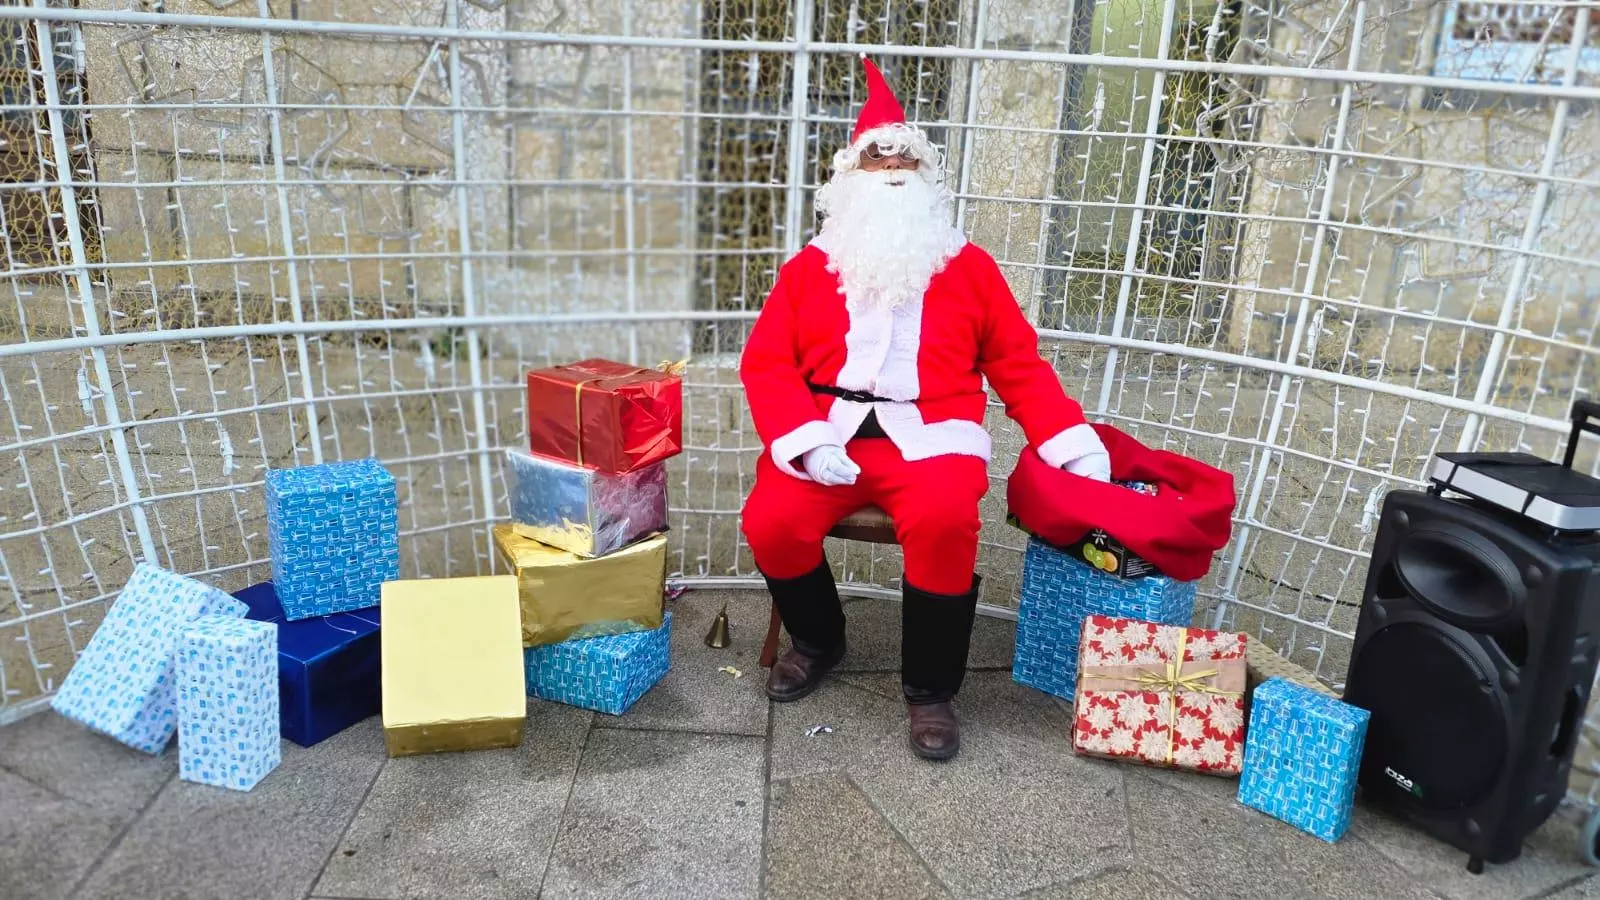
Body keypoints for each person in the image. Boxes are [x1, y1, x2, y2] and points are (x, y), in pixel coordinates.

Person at [739, 56, 1112, 761]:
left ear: (926, 178)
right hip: (827, 433)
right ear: (849, 180)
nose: (892, 172)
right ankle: (818, 639)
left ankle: (930, 689)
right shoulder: (809, 268)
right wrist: (806, 439)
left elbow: (1017, 364)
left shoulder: (969, 268)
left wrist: (1067, 438)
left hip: (933, 436)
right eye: (877, 163)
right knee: (771, 520)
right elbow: (766, 364)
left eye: (904, 161)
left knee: (944, 521)